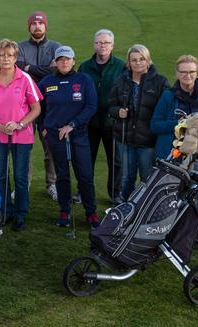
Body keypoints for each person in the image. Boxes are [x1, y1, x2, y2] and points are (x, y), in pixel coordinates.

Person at [150, 55, 198, 249]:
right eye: (183, 72)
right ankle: (170, 230)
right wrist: (183, 124)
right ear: (177, 73)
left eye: (191, 71)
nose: (187, 75)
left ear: (197, 72)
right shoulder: (168, 96)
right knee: (173, 194)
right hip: (174, 155)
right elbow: (155, 125)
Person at [0, 39, 42, 231]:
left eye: (10, 55)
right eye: (2, 55)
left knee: (20, 176)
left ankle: (21, 213)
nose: (5, 59)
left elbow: (36, 108)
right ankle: (5, 211)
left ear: (15, 57)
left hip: (22, 136)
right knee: (1, 175)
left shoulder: (24, 79)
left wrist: (20, 124)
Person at [39, 46, 99, 228]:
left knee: (85, 175)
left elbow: (91, 106)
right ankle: (64, 210)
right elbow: (38, 107)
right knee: (62, 175)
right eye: (60, 59)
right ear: (55, 62)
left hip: (78, 135)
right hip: (55, 136)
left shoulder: (84, 80)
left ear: (74, 61)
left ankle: (91, 213)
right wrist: (42, 127)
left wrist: (72, 124)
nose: (64, 62)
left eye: (68, 59)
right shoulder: (46, 82)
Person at [108, 44, 169, 201]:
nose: (138, 63)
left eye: (141, 59)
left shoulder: (160, 82)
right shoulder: (121, 80)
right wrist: (117, 112)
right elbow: (111, 106)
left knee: (146, 177)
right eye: (134, 60)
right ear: (128, 62)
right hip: (125, 138)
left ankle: (144, 211)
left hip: (147, 140)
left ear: (148, 60)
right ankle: (127, 209)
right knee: (126, 177)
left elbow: (166, 109)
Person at [16, 11, 62, 200]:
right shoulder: (20, 47)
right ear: (29, 26)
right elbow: (17, 67)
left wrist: (29, 68)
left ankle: (52, 184)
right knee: (24, 146)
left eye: (40, 23)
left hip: (49, 105)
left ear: (45, 26)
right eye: (33, 23)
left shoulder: (55, 47)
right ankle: (23, 183)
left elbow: (56, 70)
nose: (37, 26)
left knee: (50, 146)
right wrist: (44, 70)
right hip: (25, 105)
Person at [78, 29, 126, 202]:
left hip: (112, 122)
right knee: (85, 159)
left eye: (106, 43)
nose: (102, 46)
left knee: (116, 160)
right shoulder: (85, 66)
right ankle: (83, 191)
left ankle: (115, 193)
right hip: (89, 122)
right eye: (99, 42)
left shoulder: (121, 66)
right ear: (94, 44)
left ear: (112, 45)